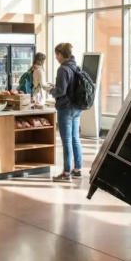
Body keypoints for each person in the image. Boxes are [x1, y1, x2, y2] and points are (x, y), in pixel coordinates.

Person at [49, 43, 83, 183]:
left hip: (65, 108)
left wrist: (51, 90)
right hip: (76, 107)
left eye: (56, 55)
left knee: (66, 140)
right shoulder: (75, 66)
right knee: (75, 139)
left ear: (60, 55)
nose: (56, 57)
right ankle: (77, 169)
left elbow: (61, 91)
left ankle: (66, 172)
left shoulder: (62, 69)